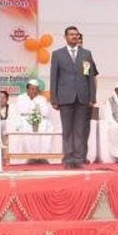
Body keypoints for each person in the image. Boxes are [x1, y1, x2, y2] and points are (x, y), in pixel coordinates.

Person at [48, 25, 98, 169]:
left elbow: (89, 77)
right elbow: (54, 77)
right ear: (65, 37)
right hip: (65, 97)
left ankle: (79, 158)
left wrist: (92, 97)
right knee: (67, 129)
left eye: (76, 35)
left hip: (82, 97)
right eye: (71, 34)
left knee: (80, 130)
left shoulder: (86, 54)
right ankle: (69, 159)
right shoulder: (58, 54)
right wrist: (54, 98)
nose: (74, 37)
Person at [9, 79, 54, 162]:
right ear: (27, 89)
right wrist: (36, 109)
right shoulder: (21, 97)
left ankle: (42, 156)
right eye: (32, 88)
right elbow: (22, 110)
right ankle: (31, 157)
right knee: (26, 128)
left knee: (45, 128)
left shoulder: (42, 98)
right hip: (25, 120)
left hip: (40, 120)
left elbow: (45, 112)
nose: (34, 91)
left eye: (36, 89)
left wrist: (34, 111)